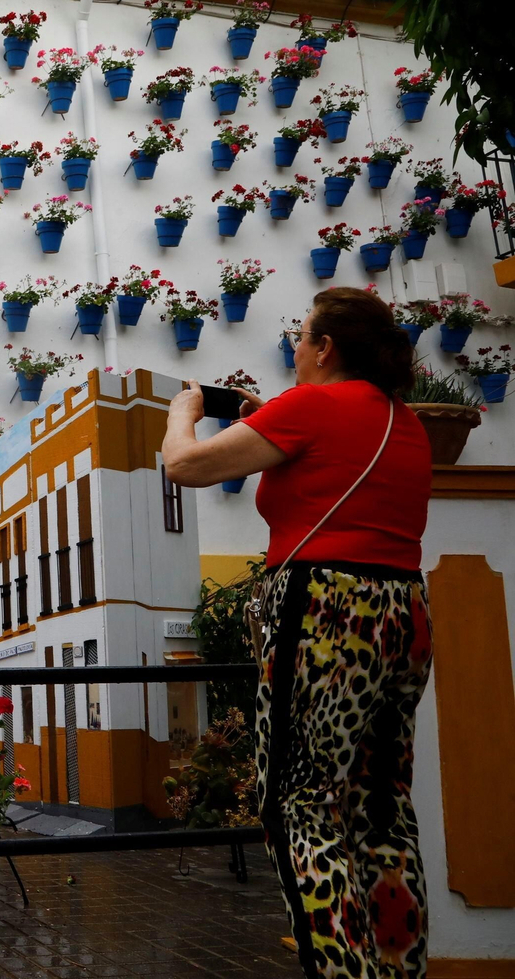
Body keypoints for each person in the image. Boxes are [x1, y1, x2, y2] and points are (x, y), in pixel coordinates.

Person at [160, 286, 433, 979]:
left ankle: (344, 972)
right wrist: (271, 423)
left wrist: (182, 415)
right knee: (380, 807)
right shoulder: (407, 423)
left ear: (326, 347)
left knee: (299, 802)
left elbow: (185, 465)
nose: (292, 345)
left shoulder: (310, 405)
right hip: (403, 611)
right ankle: (399, 967)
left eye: (300, 334)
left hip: (324, 611)